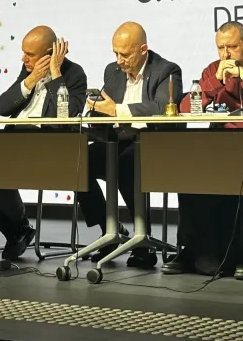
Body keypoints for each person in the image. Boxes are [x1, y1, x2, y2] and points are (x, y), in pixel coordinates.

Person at [0, 26, 87, 260]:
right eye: (23, 52)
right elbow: (3, 107)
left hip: (46, 146)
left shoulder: (74, 74)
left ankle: (17, 228)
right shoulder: (27, 70)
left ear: (49, 53)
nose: (23, 59)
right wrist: (31, 79)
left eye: (30, 54)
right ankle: (15, 229)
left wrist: (55, 72)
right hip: (13, 141)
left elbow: (64, 118)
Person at [163, 21, 243, 280]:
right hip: (220, 143)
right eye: (221, 48)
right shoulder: (212, 70)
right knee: (188, 172)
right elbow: (185, 108)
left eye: (232, 47)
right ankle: (190, 249)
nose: (226, 54)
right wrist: (215, 83)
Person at [78, 21, 182, 269]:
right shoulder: (112, 71)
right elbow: (105, 111)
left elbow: (161, 108)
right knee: (78, 161)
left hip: (151, 143)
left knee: (127, 163)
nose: (119, 60)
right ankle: (109, 230)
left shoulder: (167, 70)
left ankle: (142, 241)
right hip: (116, 141)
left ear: (143, 49)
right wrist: (95, 110)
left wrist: (116, 110)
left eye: (124, 54)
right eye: (115, 53)